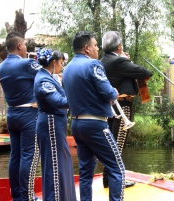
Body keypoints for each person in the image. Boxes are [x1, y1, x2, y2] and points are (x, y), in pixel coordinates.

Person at [62, 31, 125, 201]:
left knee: (85, 173)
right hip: (96, 125)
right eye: (96, 45)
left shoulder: (66, 69)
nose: (98, 49)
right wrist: (115, 93)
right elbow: (107, 93)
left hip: (76, 124)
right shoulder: (93, 65)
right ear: (87, 48)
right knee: (117, 168)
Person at [100, 30, 152, 188]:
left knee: (111, 144)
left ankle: (108, 179)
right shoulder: (118, 62)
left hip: (109, 107)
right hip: (122, 106)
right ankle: (116, 181)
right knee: (118, 144)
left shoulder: (103, 60)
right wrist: (126, 60)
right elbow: (146, 72)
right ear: (119, 46)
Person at [0, 32, 41, 201]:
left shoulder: (1, 67)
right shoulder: (27, 64)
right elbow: (46, 76)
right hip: (28, 115)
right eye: (24, 44)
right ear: (20, 46)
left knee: (15, 156)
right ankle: (28, 196)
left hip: (12, 115)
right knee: (29, 155)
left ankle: (17, 196)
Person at [34, 48, 76, 201]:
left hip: (54, 125)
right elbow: (58, 101)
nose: (62, 66)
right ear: (53, 62)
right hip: (50, 125)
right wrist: (79, 98)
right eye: (61, 63)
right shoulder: (44, 80)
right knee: (54, 168)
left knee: (62, 164)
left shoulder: (48, 77)